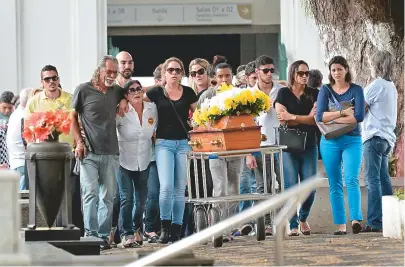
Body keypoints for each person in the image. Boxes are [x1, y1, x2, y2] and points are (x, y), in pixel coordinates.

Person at [71, 55, 127, 250]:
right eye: (108, 72)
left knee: (108, 196)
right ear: (99, 71)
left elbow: (132, 90)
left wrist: (123, 100)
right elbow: (72, 118)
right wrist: (78, 142)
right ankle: (90, 235)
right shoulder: (83, 90)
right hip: (89, 152)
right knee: (90, 194)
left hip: (111, 152)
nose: (112, 75)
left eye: (114, 72)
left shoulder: (116, 91)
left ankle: (103, 237)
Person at [143, 57, 197, 244]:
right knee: (166, 187)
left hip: (183, 143)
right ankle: (165, 230)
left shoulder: (189, 92)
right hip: (164, 142)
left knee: (180, 189)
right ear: (164, 73)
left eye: (178, 70)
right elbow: (138, 101)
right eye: (171, 70)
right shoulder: (156, 92)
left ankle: (176, 230)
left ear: (182, 73)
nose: (174, 73)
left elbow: (200, 115)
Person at [316, 56, 365, 235]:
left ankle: (355, 219)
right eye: (333, 70)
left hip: (352, 139)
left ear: (346, 69)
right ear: (330, 72)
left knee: (351, 178)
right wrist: (343, 113)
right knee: (334, 182)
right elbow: (320, 116)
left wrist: (333, 116)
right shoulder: (325, 90)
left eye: (339, 69)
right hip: (330, 141)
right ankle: (340, 225)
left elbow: (359, 116)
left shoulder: (356, 90)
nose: (336, 73)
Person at [198, 62, 242, 242]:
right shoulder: (207, 95)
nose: (224, 79)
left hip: (236, 148)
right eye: (220, 76)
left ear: (232, 76)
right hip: (215, 148)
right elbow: (197, 120)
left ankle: (229, 228)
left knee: (234, 188)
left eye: (227, 76)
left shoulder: (240, 95)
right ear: (215, 78)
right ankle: (218, 229)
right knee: (220, 188)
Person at [274, 60, 319, 236]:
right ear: (293, 73)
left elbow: (316, 119)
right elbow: (282, 120)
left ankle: (303, 218)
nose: (304, 77)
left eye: (307, 73)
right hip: (288, 145)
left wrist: (293, 116)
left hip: (309, 144)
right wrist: (305, 117)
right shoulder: (283, 93)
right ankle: (292, 223)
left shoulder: (314, 93)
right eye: (301, 73)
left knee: (310, 186)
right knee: (291, 185)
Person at [244, 56, 284, 236]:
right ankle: (264, 223)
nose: (269, 74)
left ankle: (285, 220)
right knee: (263, 186)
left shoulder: (281, 90)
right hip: (259, 145)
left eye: (271, 70)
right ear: (257, 72)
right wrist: (248, 153)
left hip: (281, 144)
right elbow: (245, 125)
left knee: (284, 184)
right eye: (265, 71)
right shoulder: (248, 94)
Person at [116, 80, 157, 247]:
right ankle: (126, 234)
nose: (136, 92)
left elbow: (158, 88)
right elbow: (110, 129)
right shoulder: (121, 111)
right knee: (127, 199)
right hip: (124, 159)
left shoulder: (152, 108)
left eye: (138, 89)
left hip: (144, 159)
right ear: (126, 95)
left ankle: (136, 228)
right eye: (131, 90)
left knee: (141, 201)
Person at [362, 51, 398, 232]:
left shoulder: (376, 85)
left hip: (373, 138)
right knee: (384, 179)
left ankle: (375, 221)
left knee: (372, 180)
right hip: (386, 139)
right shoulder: (391, 86)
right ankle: (390, 218)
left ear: (376, 65)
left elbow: (359, 109)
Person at [109, 51, 135, 248]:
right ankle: (111, 232)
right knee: (115, 195)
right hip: (111, 149)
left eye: (129, 62)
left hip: (134, 150)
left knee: (129, 196)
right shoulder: (110, 88)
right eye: (123, 62)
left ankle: (126, 233)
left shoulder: (134, 88)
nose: (127, 66)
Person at [144, 64, 164, 243]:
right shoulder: (148, 102)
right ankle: (149, 228)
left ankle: (164, 227)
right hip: (151, 155)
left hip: (167, 152)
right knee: (153, 193)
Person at [6, 88, 32, 189]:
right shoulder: (25, 116)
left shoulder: (15, 113)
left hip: (15, 161)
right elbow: (27, 141)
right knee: (23, 198)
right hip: (22, 162)